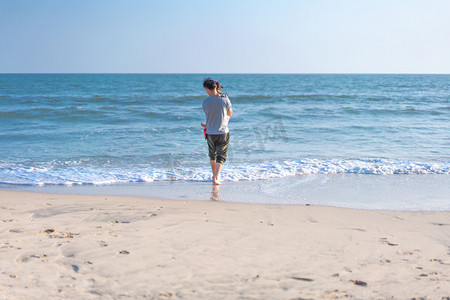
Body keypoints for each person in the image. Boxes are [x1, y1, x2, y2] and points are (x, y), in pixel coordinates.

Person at [201, 78, 233, 185]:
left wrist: (206, 125)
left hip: (210, 133)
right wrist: (224, 98)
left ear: (206, 89)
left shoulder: (205, 102)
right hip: (223, 132)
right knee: (221, 156)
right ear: (216, 87)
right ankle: (216, 177)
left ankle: (213, 175)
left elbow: (210, 116)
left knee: (212, 155)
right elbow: (229, 113)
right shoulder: (225, 99)